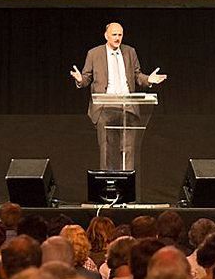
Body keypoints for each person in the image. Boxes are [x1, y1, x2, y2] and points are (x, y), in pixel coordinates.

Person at [70, 22, 167, 171]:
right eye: (114, 34)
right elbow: (86, 78)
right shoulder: (94, 54)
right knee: (107, 150)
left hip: (127, 106)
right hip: (104, 107)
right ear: (106, 36)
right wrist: (79, 80)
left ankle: (127, 183)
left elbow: (137, 75)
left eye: (120, 35)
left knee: (128, 150)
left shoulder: (130, 52)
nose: (117, 38)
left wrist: (148, 80)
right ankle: (109, 185)